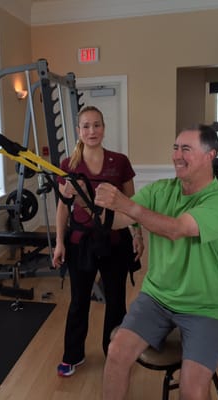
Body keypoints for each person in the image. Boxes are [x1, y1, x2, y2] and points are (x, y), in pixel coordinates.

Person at [94, 124, 218, 400]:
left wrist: (126, 205)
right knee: (116, 353)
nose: (177, 155)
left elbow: (176, 230)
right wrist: (85, 201)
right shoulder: (161, 190)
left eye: (186, 149)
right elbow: (118, 220)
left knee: (192, 390)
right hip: (157, 297)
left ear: (211, 155)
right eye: (175, 148)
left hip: (205, 306)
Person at [52, 105, 144, 377]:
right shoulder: (68, 165)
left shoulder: (120, 161)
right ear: (79, 131)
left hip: (115, 240)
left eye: (97, 125)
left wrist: (138, 234)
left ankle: (113, 354)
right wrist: (59, 242)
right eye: (86, 126)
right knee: (79, 300)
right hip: (81, 241)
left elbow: (132, 205)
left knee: (116, 300)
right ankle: (73, 355)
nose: (92, 131)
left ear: (104, 128)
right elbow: (62, 207)